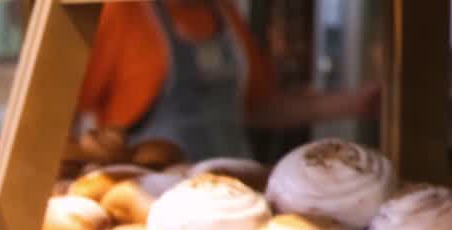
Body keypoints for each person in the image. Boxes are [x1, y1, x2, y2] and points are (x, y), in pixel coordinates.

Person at [78, 0, 380, 160]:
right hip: (149, 207)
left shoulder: (226, 15)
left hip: (234, 196)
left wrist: (353, 103)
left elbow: (256, 107)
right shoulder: (122, 12)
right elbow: (66, 110)